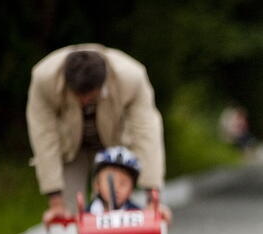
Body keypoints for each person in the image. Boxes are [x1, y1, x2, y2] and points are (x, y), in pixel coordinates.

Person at [26, 44, 166, 222]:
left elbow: (146, 132)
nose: (84, 101)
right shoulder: (43, 80)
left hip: (113, 145)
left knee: (116, 208)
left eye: (90, 96)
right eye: (79, 96)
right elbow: (44, 136)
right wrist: (55, 201)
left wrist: (152, 197)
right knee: (68, 215)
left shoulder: (132, 77)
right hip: (69, 149)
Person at [87, 146, 143, 213]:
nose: (116, 188)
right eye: (110, 182)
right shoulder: (87, 213)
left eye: (123, 183)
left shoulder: (139, 214)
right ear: (97, 184)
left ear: (131, 190)